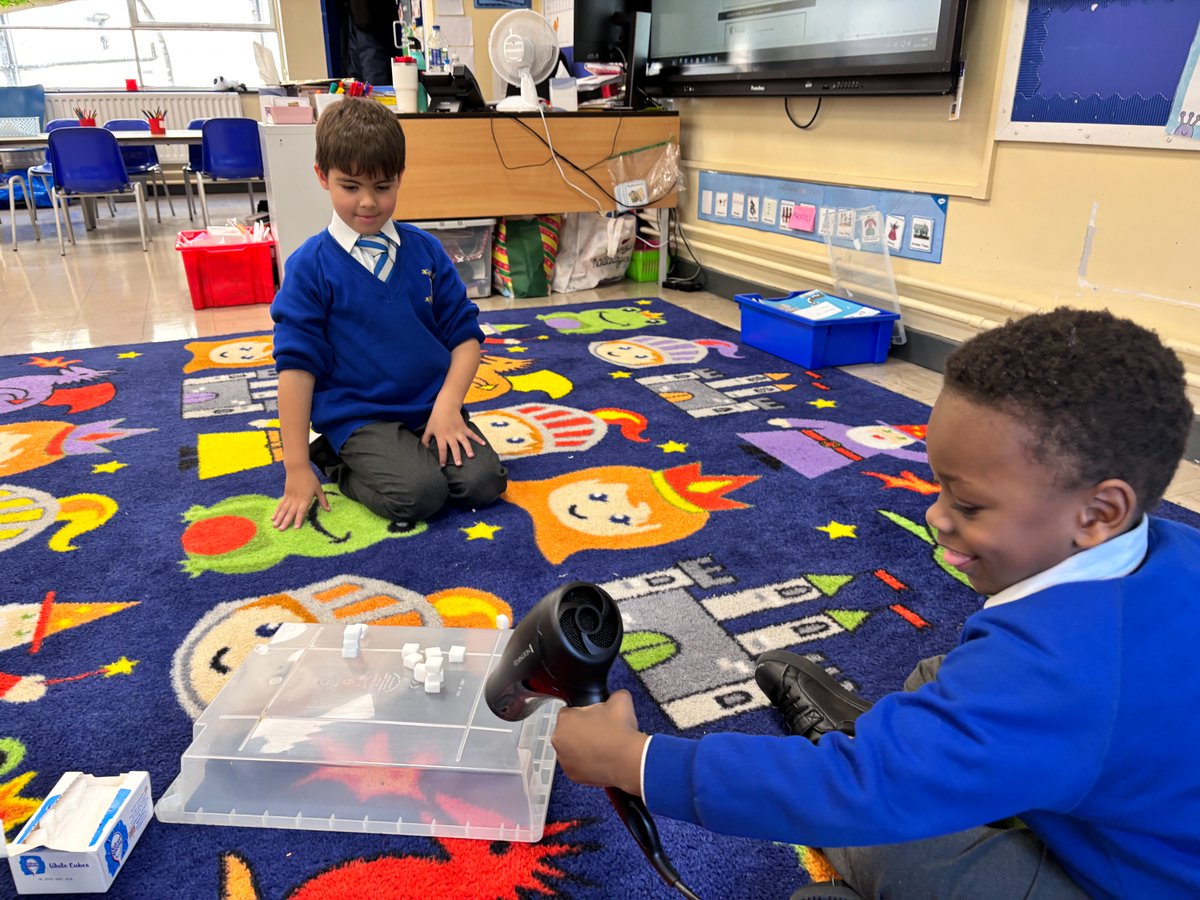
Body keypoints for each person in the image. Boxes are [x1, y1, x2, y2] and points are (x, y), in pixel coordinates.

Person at [551, 307, 1200, 898]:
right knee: (935, 680)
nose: (935, 516)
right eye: (938, 486)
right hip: (1123, 787)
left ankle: (891, 759)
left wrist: (633, 762)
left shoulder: (1054, 673)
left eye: (968, 505)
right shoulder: (1172, 547)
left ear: (1099, 512)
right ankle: (916, 753)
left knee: (876, 829)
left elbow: (855, 793)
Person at [271, 98, 507, 532]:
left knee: (484, 485)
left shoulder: (427, 251)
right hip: (360, 415)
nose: (367, 202)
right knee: (421, 495)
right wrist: (296, 466)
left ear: (399, 177)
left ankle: (415, 448)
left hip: (431, 406)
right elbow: (295, 368)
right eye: (350, 186)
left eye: (382, 187)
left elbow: (466, 337)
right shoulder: (310, 266)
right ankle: (335, 461)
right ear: (322, 176)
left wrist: (448, 405)